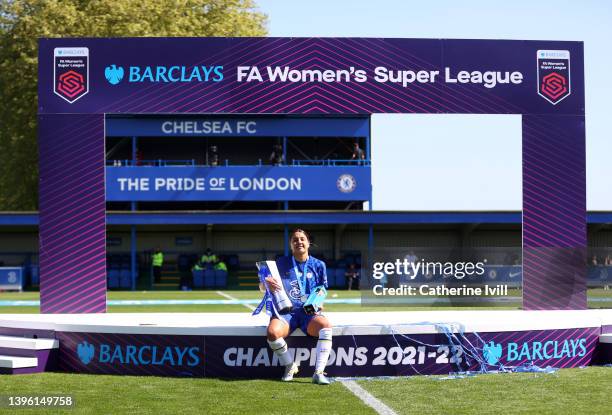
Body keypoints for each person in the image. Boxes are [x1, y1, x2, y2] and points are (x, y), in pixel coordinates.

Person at [261, 228, 332, 385]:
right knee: (272, 333)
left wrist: (319, 303)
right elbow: (261, 286)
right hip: (286, 312)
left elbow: (322, 290)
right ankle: (290, 365)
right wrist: (266, 285)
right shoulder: (280, 263)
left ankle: (319, 372)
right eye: (295, 240)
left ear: (308, 243)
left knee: (325, 326)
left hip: (308, 313)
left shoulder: (319, 265)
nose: (299, 242)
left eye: (302, 239)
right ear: (290, 245)